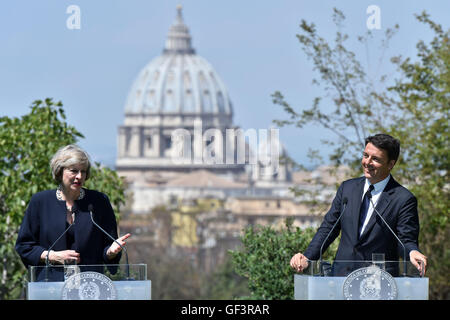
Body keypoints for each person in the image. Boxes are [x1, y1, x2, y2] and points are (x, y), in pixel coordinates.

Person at [290, 134, 427, 276]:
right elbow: (328, 228)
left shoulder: (403, 199)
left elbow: (405, 239)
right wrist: (308, 257)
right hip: (341, 277)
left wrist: (412, 251)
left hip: (378, 282)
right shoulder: (347, 189)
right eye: (365, 155)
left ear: (390, 164)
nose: (367, 162)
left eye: (375, 159)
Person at [15, 144, 131, 280]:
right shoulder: (40, 202)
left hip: (90, 285)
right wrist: (52, 256)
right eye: (73, 171)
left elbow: (107, 248)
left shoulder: (99, 201)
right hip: (50, 285)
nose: (79, 176)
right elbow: (24, 247)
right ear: (59, 171)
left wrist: (111, 252)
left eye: (83, 171)